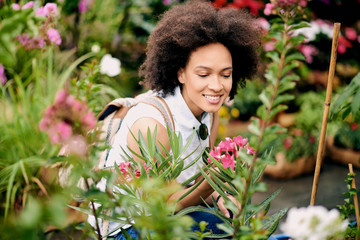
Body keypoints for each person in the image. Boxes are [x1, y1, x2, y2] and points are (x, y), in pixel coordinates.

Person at [89, 0, 261, 239]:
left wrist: (220, 193)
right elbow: (162, 205)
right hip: (130, 226)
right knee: (226, 229)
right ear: (180, 72)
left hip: (172, 209)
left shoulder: (209, 113)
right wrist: (214, 179)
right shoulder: (152, 123)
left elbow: (191, 185)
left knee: (239, 201)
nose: (217, 86)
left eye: (226, 74)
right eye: (203, 74)